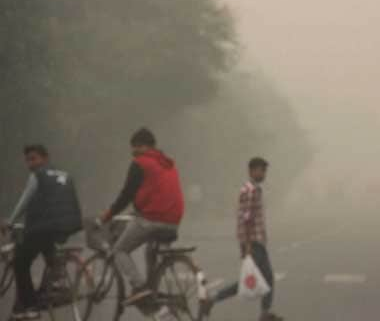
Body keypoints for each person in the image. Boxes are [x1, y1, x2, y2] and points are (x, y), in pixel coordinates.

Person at [100, 128, 184, 306]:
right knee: (150, 251)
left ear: (141, 146)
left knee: (119, 250)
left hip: (152, 218)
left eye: (134, 148)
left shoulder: (141, 162)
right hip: (173, 222)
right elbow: (155, 192)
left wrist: (109, 213)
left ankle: (139, 288)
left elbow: (127, 194)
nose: (132, 152)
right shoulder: (167, 163)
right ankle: (152, 289)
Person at [2, 145, 82, 320]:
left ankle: (30, 307)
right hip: (66, 224)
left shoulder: (38, 175)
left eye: (33, 158)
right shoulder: (64, 175)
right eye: (27, 160)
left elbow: (25, 199)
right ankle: (54, 283)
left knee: (20, 262)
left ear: (45, 158)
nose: (30, 164)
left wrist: (11, 221)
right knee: (46, 246)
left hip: (45, 226)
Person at [203, 157, 282, 321]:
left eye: (265, 170)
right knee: (255, 280)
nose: (264, 173)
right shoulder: (249, 190)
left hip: (256, 241)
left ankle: (264, 313)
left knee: (258, 279)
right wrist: (246, 245)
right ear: (252, 170)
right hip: (252, 242)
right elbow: (245, 218)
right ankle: (213, 299)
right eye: (262, 170)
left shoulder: (255, 189)